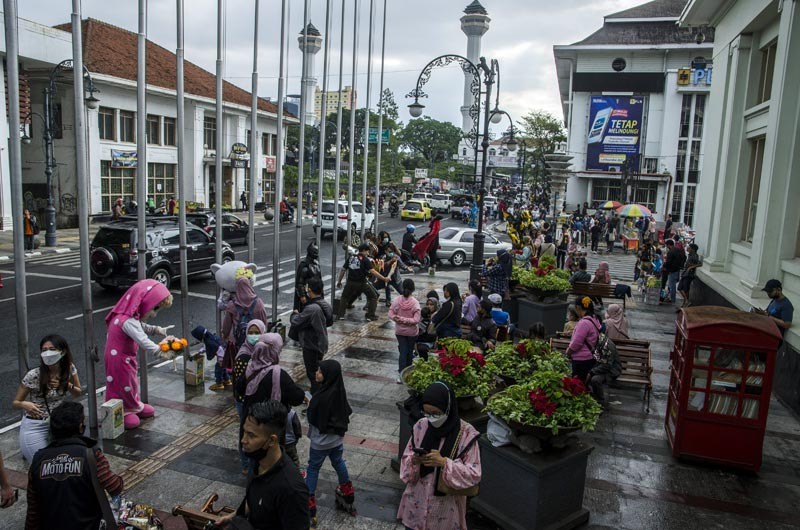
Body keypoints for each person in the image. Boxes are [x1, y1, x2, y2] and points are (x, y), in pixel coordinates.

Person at [397, 381, 481, 530]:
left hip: (444, 512)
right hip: (416, 506)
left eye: (436, 414)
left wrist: (444, 463)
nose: (431, 418)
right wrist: (414, 460)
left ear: (448, 408)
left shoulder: (466, 434)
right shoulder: (421, 426)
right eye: (427, 413)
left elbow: (474, 474)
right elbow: (406, 460)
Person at [26, 402, 123, 530]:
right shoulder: (91, 455)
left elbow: (33, 509)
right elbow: (115, 486)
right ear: (80, 427)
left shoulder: (38, 459)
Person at [215, 401, 310, 530]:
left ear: (271, 440)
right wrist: (232, 516)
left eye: (251, 435)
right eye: (244, 432)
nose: (243, 440)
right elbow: (255, 499)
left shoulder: (291, 489)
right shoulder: (257, 460)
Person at [103, 279, 173, 430]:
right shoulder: (127, 321)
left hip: (124, 358)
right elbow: (142, 339)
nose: (154, 314)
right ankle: (125, 410)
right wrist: (159, 351)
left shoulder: (128, 317)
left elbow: (142, 327)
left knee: (130, 381)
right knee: (124, 383)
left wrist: (156, 329)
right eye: (155, 309)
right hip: (119, 360)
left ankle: (133, 405)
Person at [13, 335, 82, 462]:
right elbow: (15, 403)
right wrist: (25, 405)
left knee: (61, 464)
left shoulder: (68, 368)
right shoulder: (34, 375)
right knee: (41, 464)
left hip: (58, 425)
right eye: (44, 350)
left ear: (63, 351)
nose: (48, 353)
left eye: (52, 349)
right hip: (36, 425)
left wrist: (66, 384)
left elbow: (78, 393)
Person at [243, 335, 306, 468]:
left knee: (257, 460)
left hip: (253, 425)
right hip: (272, 427)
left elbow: (239, 389)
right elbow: (297, 397)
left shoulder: (250, 369)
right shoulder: (278, 374)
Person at [305, 360, 356, 525]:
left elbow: (312, 417)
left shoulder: (320, 396)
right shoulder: (339, 391)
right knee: (338, 461)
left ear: (327, 375)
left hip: (320, 443)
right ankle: (347, 489)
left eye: (320, 371)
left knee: (313, 468)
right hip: (336, 440)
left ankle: (309, 499)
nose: (316, 373)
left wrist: (310, 403)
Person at [230, 319, 267, 473]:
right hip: (245, 401)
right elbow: (239, 385)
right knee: (246, 431)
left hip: (256, 399)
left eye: (257, 332)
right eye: (250, 333)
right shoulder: (244, 356)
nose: (254, 336)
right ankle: (246, 464)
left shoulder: (263, 351)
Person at [290, 278, 333, 393]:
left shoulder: (312, 308)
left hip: (311, 344)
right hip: (320, 343)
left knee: (313, 373)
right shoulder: (325, 304)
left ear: (310, 290)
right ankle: (316, 393)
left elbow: (296, 322)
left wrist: (294, 314)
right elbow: (329, 322)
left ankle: (316, 399)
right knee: (316, 371)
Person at [336, 243, 390, 322]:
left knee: (344, 297)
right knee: (373, 297)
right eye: (368, 251)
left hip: (350, 282)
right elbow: (373, 271)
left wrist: (339, 281)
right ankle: (370, 316)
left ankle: (340, 315)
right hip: (361, 283)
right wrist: (384, 278)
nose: (368, 253)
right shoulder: (365, 259)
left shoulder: (351, 258)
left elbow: (343, 269)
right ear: (364, 250)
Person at [222, 276, 270, 353]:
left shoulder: (232, 305)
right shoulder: (258, 303)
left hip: (236, 341)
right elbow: (264, 323)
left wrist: (225, 335)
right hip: (255, 340)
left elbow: (226, 326)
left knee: (238, 360)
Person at [389, 279, 421, 383]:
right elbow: (416, 320)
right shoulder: (415, 303)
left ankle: (401, 374)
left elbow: (390, 313)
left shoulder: (397, 300)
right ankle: (408, 373)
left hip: (400, 332)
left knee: (403, 351)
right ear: (413, 289)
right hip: (412, 333)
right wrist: (405, 320)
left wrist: (397, 319)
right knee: (409, 352)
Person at [565, 296, 601, 383]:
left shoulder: (584, 323)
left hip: (581, 360)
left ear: (578, 307)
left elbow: (576, 344)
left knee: (577, 385)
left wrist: (568, 353)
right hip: (589, 358)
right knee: (583, 384)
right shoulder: (594, 318)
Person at [588, 338, 622, 409]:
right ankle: (591, 397)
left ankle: (600, 402)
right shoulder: (596, 340)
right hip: (600, 367)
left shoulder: (607, 345)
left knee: (595, 380)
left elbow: (606, 366)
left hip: (611, 370)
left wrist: (591, 372)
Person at [294, 242, 322, 311]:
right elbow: (300, 283)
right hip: (307, 295)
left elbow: (319, 280)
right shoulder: (304, 265)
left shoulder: (316, 264)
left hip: (316, 294)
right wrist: (302, 296)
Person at [677, 243, 702, 307]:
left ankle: (686, 302)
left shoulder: (694, 256)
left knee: (685, 289)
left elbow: (699, 264)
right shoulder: (690, 255)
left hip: (689, 275)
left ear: (693, 249)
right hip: (685, 274)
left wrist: (690, 268)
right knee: (679, 288)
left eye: (689, 247)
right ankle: (686, 300)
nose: (687, 248)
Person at [663, 239, 686, 304]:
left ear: (668, 245)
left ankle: (672, 299)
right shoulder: (678, 250)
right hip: (677, 269)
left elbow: (668, 262)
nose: (666, 247)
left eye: (666, 245)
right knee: (672, 285)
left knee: (672, 285)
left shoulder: (671, 252)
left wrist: (665, 268)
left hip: (672, 270)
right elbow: (684, 257)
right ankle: (670, 297)